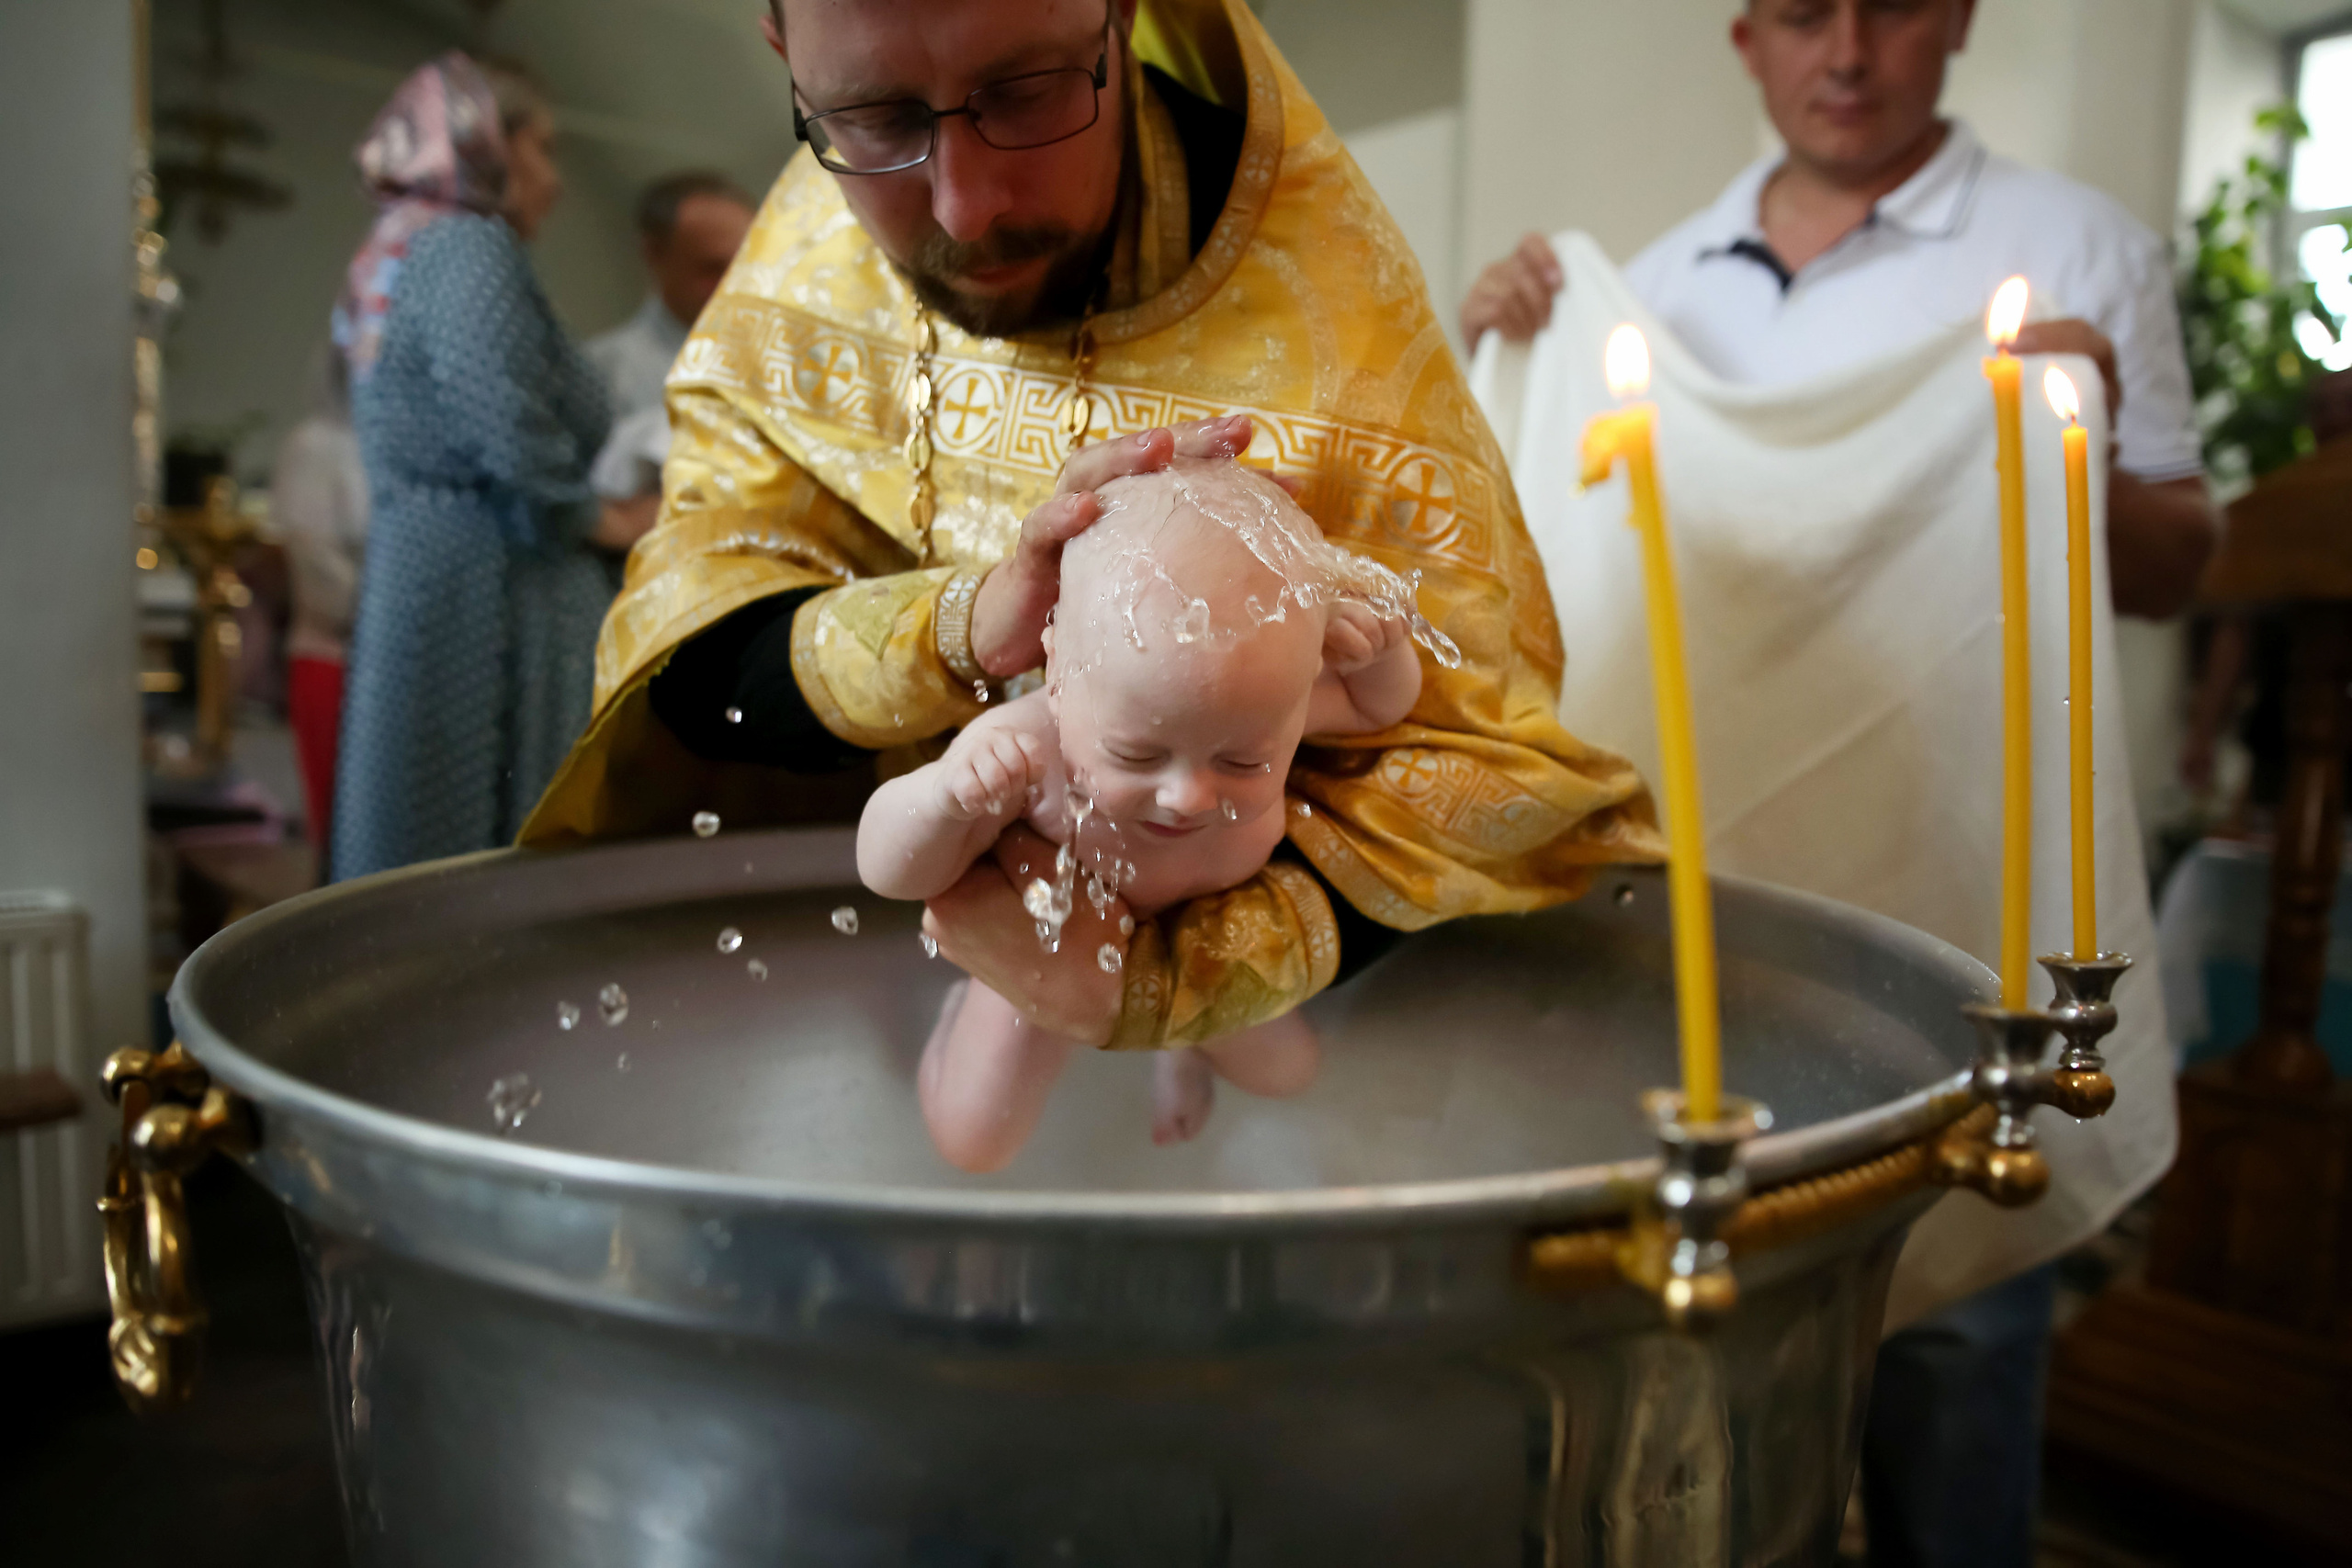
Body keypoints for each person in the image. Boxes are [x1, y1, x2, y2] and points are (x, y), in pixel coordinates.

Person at [520, 0, 1656, 1070]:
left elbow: (1480, 764)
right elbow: (693, 641)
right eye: (875, 119)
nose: (963, 208)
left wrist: (1165, 982)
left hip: (1295, 1043)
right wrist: (964, 625)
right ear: (784, 54)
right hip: (842, 1002)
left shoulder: (1326, 300)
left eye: (1025, 92)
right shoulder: (801, 264)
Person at [1459, 4, 2214, 1565]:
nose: (1850, 52)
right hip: (1734, 915)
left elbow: (2176, 562)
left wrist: (2075, 438)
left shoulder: (2081, 246)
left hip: (1961, 883)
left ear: (1958, 19)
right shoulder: (1651, 284)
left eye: (1892, 7)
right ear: (1747, 38)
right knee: (1703, 1415)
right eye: (1807, 12)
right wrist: (1502, 345)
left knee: (1959, 1367)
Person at [859, 457, 1421, 1169]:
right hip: (1050, 945)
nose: (1187, 797)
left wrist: (1378, 654)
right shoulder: (1024, 750)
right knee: (974, 1139)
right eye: (1136, 754)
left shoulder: (1254, 706)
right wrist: (945, 796)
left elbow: (1377, 706)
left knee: (1290, 1075)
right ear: (1056, 673)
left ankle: (1177, 1043)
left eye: (1242, 764)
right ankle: (957, 1015)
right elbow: (887, 872)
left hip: (1203, 936)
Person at [331, 53, 658, 882]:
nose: (554, 177)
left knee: (422, 832)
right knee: (477, 841)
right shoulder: (466, 245)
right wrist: (601, 516)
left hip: (432, 563)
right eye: (541, 147)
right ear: (486, 144)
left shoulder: (402, 246)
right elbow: (500, 414)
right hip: (487, 578)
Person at [270, 347, 368, 854]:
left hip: (411, 664)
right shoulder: (316, 445)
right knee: (344, 834)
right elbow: (316, 566)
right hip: (337, 660)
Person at [586, 171, 758, 423]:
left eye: (747, 264)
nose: (736, 285)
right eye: (712, 269)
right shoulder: (607, 378)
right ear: (654, 254)